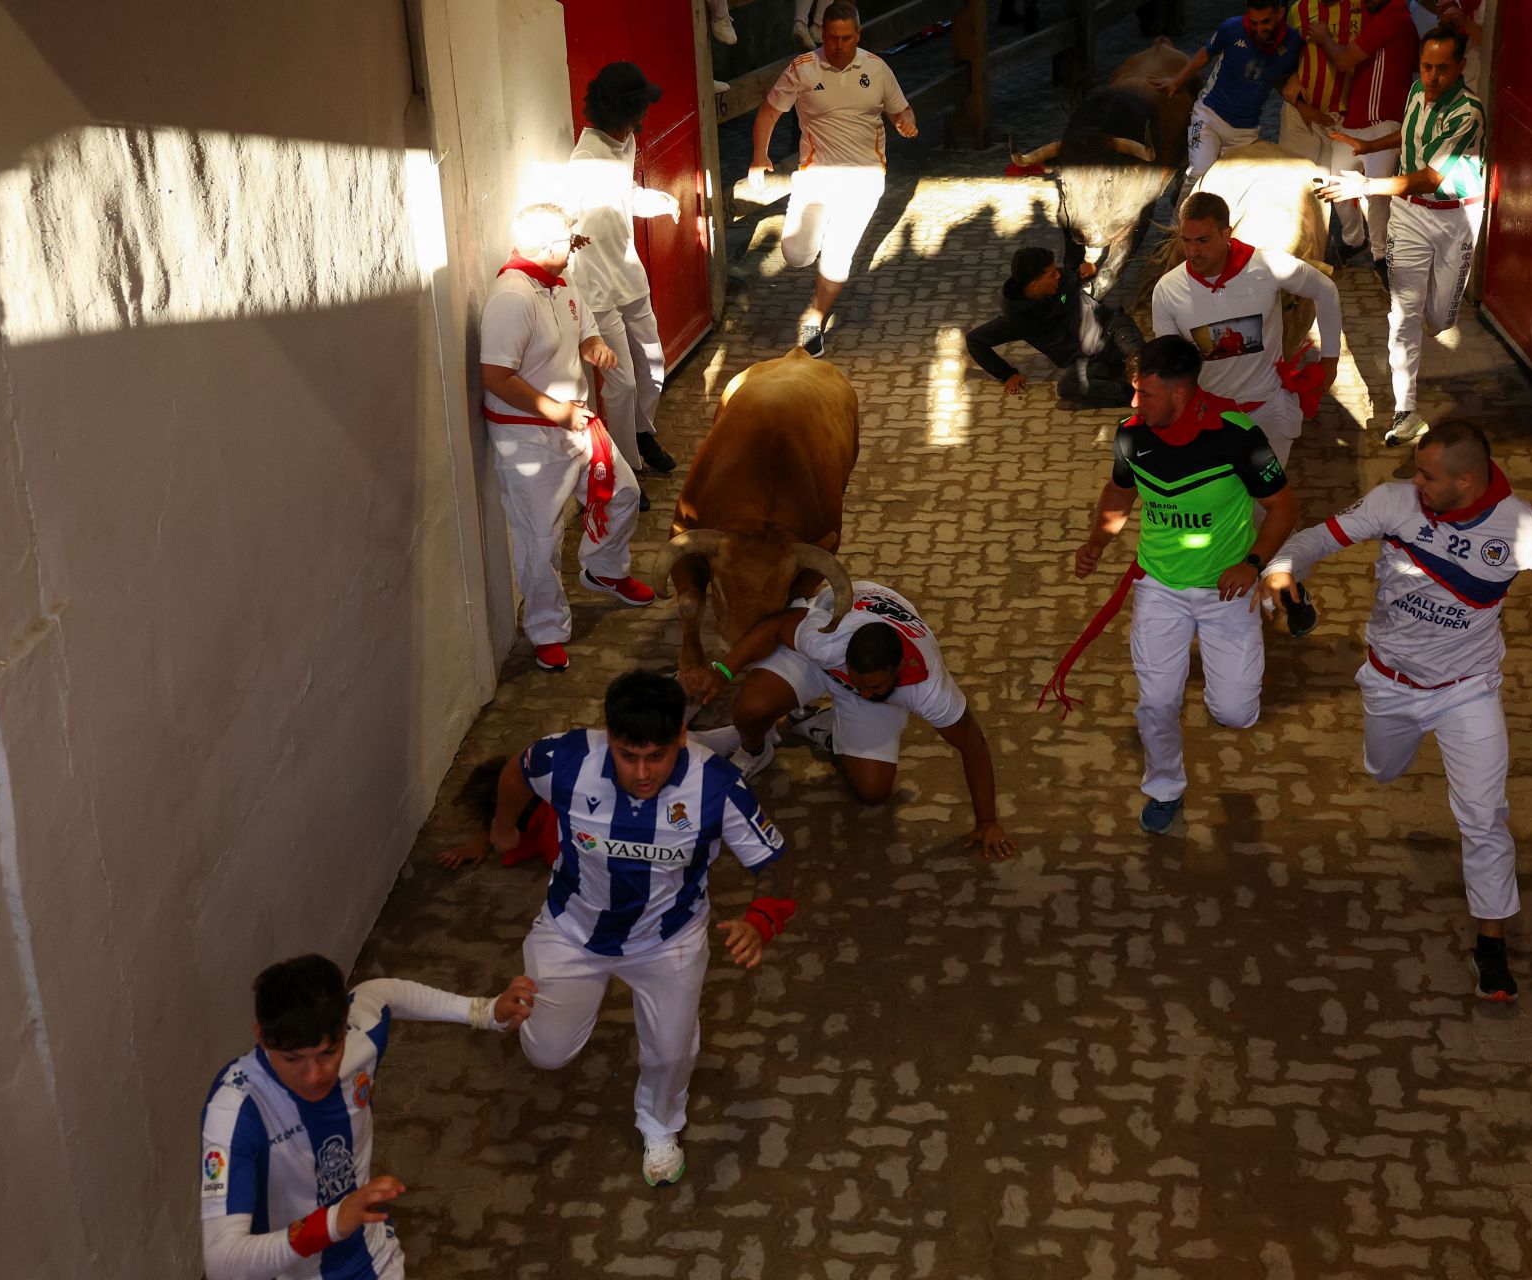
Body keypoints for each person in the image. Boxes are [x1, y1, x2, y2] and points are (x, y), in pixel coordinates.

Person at [1257, 421, 1532, 1002]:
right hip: (1389, 685)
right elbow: (1315, 539)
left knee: (1484, 818)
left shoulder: (1523, 527)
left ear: (1466, 480)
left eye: (1428, 475)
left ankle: (1491, 946)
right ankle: (1391, 753)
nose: (1416, 482)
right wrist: (1281, 569)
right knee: (1384, 769)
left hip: (1468, 690)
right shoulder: (1394, 502)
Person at [473, 670, 796, 1186]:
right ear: (607, 735)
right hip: (571, 930)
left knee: (670, 1052)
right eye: (628, 756)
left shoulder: (717, 785)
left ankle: (659, 1125)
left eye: (659, 755)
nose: (643, 773)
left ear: (682, 738)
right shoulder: (565, 759)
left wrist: (761, 920)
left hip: (669, 940)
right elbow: (516, 770)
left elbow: (774, 862)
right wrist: (502, 824)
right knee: (546, 1053)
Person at [1068, 336, 1297, 836]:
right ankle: (1164, 788)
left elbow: (1283, 507)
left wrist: (1253, 564)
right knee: (1156, 702)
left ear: (1180, 394)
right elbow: (1120, 490)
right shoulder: (1131, 435)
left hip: (1227, 592)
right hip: (1159, 587)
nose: (1134, 403)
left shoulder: (1238, 436)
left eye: (1145, 394)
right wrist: (1098, 542)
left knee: (1235, 713)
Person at [198, 955, 535, 1280]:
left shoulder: (361, 1037)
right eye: (293, 1059)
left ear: (344, 1024)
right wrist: (332, 1223)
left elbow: (383, 992)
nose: (315, 1075)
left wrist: (485, 1012)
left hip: (371, 1262)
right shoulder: (235, 1109)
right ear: (261, 1036)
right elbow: (223, 1263)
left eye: (328, 1052)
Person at [682, 581, 1017, 861]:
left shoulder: (929, 688)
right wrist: (724, 672)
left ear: (898, 669)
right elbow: (774, 626)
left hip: (865, 660)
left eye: (874, 687)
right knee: (751, 708)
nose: (865, 693)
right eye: (858, 683)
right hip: (826, 653)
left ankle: (825, 726)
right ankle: (756, 748)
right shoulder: (827, 641)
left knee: (873, 791)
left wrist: (987, 821)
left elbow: (974, 743)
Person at [1149, 190, 1342, 633]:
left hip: (1268, 410)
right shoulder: (1169, 290)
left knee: (1260, 505)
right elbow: (1170, 362)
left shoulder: (1267, 267)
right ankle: (1263, 591)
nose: (1193, 252)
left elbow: (1326, 290)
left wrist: (1330, 358)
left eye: (1203, 241)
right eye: (1187, 242)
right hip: (1211, 422)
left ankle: (1286, 593)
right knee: (1232, 509)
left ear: (1227, 234)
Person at [479, 203, 654, 673]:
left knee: (623, 495)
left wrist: (593, 346)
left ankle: (604, 568)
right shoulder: (511, 299)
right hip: (531, 439)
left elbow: (583, 332)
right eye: (568, 241)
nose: (575, 247)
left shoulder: (562, 279)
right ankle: (546, 630)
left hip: (576, 423)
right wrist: (556, 412)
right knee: (540, 540)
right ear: (544, 248)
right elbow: (496, 376)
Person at [1317, 24, 1484, 448]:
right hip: (1408, 217)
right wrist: (1365, 146)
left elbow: (1429, 177)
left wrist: (1365, 187)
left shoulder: (1469, 113)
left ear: (1461, 67)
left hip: (1455, 220)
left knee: (1439, 319)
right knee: (1403, 315)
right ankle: (1405, 411)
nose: (1431, 77)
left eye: (1442, 68)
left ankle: (1436, 320)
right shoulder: (1414, 93)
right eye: (1426, 67)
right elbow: (1410, 133)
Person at [747, 2, 918, 357]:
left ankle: (815, 319)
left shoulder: (877, 68)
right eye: (831, 38)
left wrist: (906, 121)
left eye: (846, 38)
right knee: (795, 254)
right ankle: (819, 241)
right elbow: (769, 111)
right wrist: (759, 156)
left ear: (858, 34)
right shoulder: (802, 69)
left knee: (838, 257)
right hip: (815, 179)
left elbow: (901, 108)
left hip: (865, 180)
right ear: (821, 35)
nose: (838, 45)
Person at [568, 63, 682, 480]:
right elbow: (571, 228)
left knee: (653, 368)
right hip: (597, 291)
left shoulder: (626, 142)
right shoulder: (584, 162)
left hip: (630, 279)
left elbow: (625, 196)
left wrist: (658, 201)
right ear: (628, 112)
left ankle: (641, 432)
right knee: (622, 384)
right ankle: (624, 470)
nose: (644, 116)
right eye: (640, 109)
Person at [1305, 0, 1418, 283]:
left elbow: (1343, 61)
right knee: (1334, 183)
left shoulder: (1395, 15)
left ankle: (1382, 257)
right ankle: (1354, 241)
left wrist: (1324, 39)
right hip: (1355, 119)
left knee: (1377, 197)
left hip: (1385, 120)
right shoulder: (1372, 13)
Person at [1155, 1, 1306, 200]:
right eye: (1253, 22)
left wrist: (1295, 78)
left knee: (1231, 187)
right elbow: (1206, 53)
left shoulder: (1294, 42)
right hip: (1209, 115)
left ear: (1280, 14)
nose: (1259, 28)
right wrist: (1177, 79)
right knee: (1199, 172)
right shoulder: (1232, 28)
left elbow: (1293, 70)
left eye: (1266, 22)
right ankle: (1178, 227)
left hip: (1245, 131)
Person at [963, 245, 1143, 407]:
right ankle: (1136, 394)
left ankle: (1146, 374)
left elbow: (1075, 279)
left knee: (1138, 358)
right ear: (1035, 286)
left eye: (1056, 270)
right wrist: (1007, 374)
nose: (1058, 274)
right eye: (1052, 274)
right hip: (1089, 359)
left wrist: (1086, 271)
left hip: (1113, 329)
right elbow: (975, 340)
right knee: (1067, 387)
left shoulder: (1062, 282)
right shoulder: (1016, 321)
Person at [1280, 0, 1362, 170]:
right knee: (1294, 181)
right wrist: (1292, 76)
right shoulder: (1298, 10)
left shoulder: (1362, 7)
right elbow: (1283, 54)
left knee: (1337, 188)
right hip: (1300, 113)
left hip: (1346, 119)